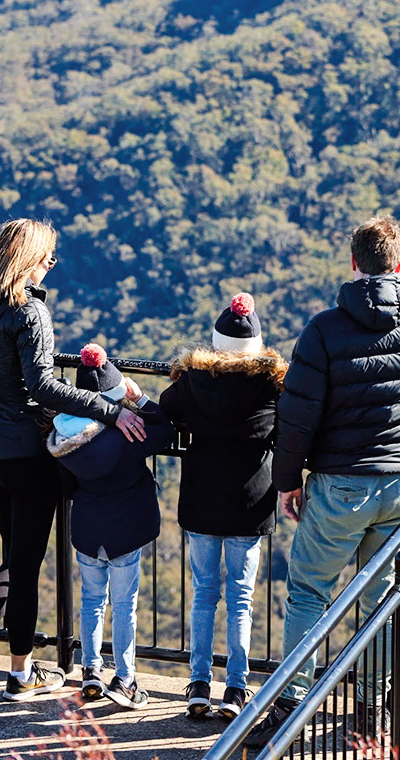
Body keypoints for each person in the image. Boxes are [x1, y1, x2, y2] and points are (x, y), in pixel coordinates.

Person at [244, 217, 400, 748]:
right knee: (381, 599)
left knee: (311, 591)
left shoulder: (324, 330)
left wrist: (288, 481)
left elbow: (299, 416)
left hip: (340, 486)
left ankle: (291, 704)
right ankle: (370, 714)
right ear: (398, 263)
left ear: (353, 263)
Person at [0, 219, 147, 703]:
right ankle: (21, 673)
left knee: (14, 555)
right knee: (26, 564)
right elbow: (44, 386)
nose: (51, 265)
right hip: (29, 452)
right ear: (28, 259)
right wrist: (109, 411)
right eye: (47, 257)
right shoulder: (28, 313)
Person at [160, 292, 286, 721]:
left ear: (215, 346)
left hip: (201, 499)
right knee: (241, 599)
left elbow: (165, 407)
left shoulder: (191, 384)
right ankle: (235, 687)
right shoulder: (272, 388)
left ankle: (198, 683)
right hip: (250, 504)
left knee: (204, 594)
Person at [47, 344, 174, 711]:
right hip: (125, 533)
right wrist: (140, 398)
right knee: (124, 606)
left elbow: (66, 487)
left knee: (91, 602)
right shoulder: (128, 435)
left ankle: (90, 671)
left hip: (87, 528)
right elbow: (165, 427)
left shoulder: (65, 443)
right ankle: (125, 677)